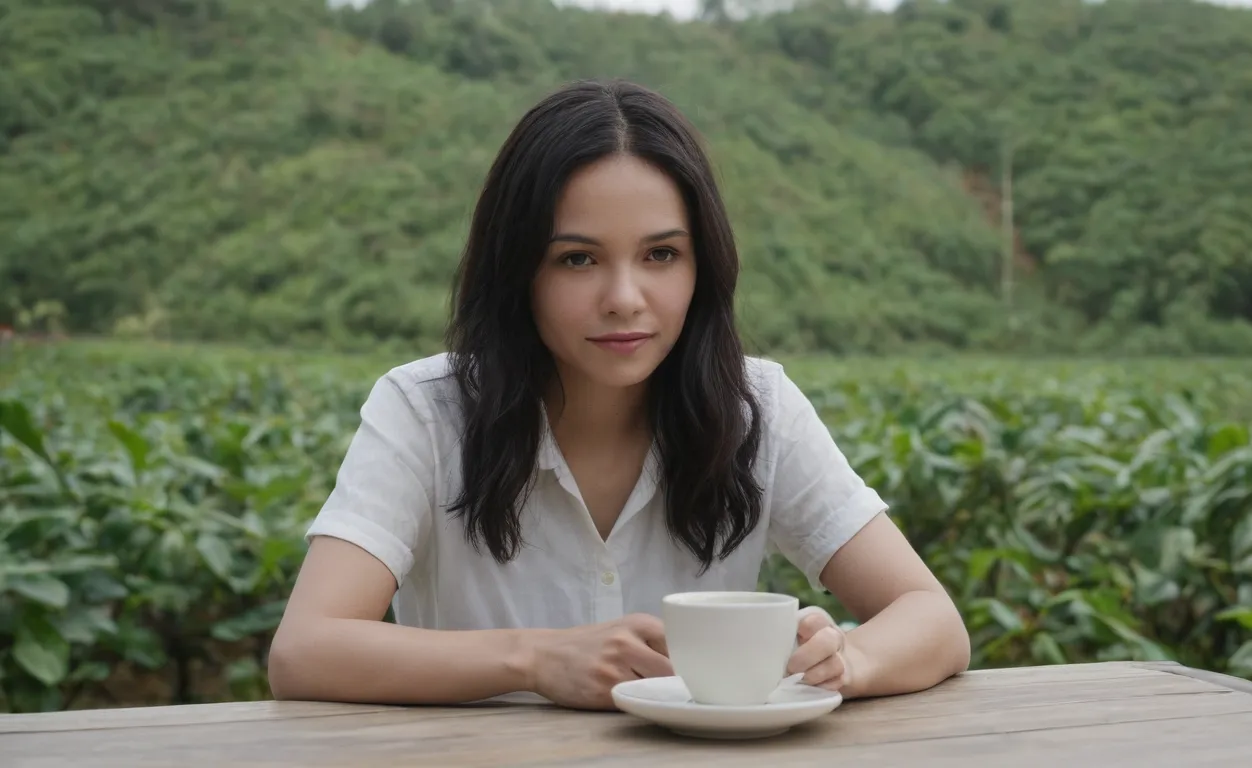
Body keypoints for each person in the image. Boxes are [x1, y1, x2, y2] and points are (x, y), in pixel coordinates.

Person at [267, 78, 970, 710]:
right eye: (578, 259)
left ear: (703, 266)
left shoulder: (756, 408)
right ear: (519, 271)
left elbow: (932, 619)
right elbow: (306, 649)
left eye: (661, 254)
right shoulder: (425, 412)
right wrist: (538, 659)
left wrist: (851, 657)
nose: (625, 299)